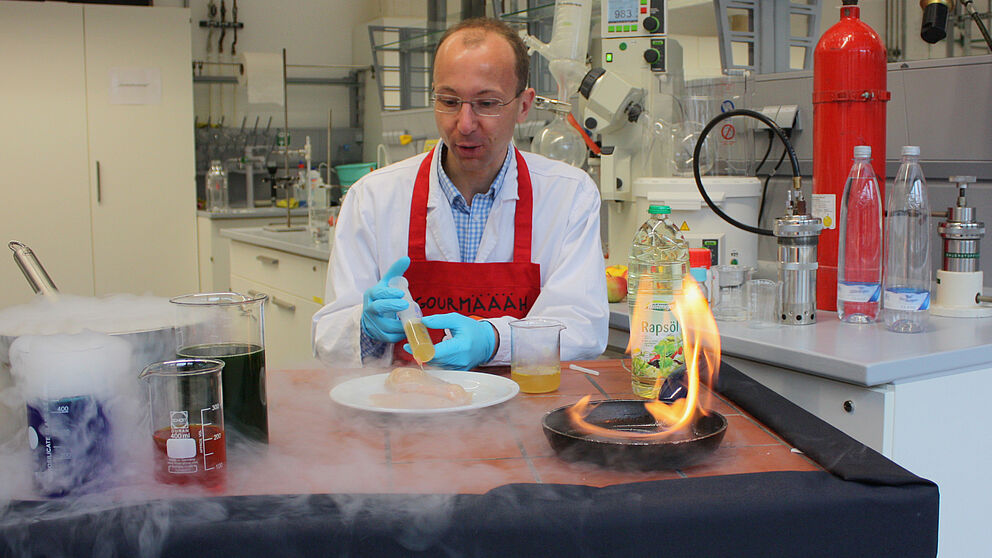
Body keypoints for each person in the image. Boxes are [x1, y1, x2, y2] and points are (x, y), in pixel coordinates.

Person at [313, 17, 608, 370]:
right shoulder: (373, 198)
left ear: (524, 106)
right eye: (449, 101)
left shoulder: (568, 196)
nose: (465, 124)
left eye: (487, 104)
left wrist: (493, 340)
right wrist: (363, 326)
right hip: (406, 413)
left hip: (522, 412)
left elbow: (583, 326)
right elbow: (328, 338)